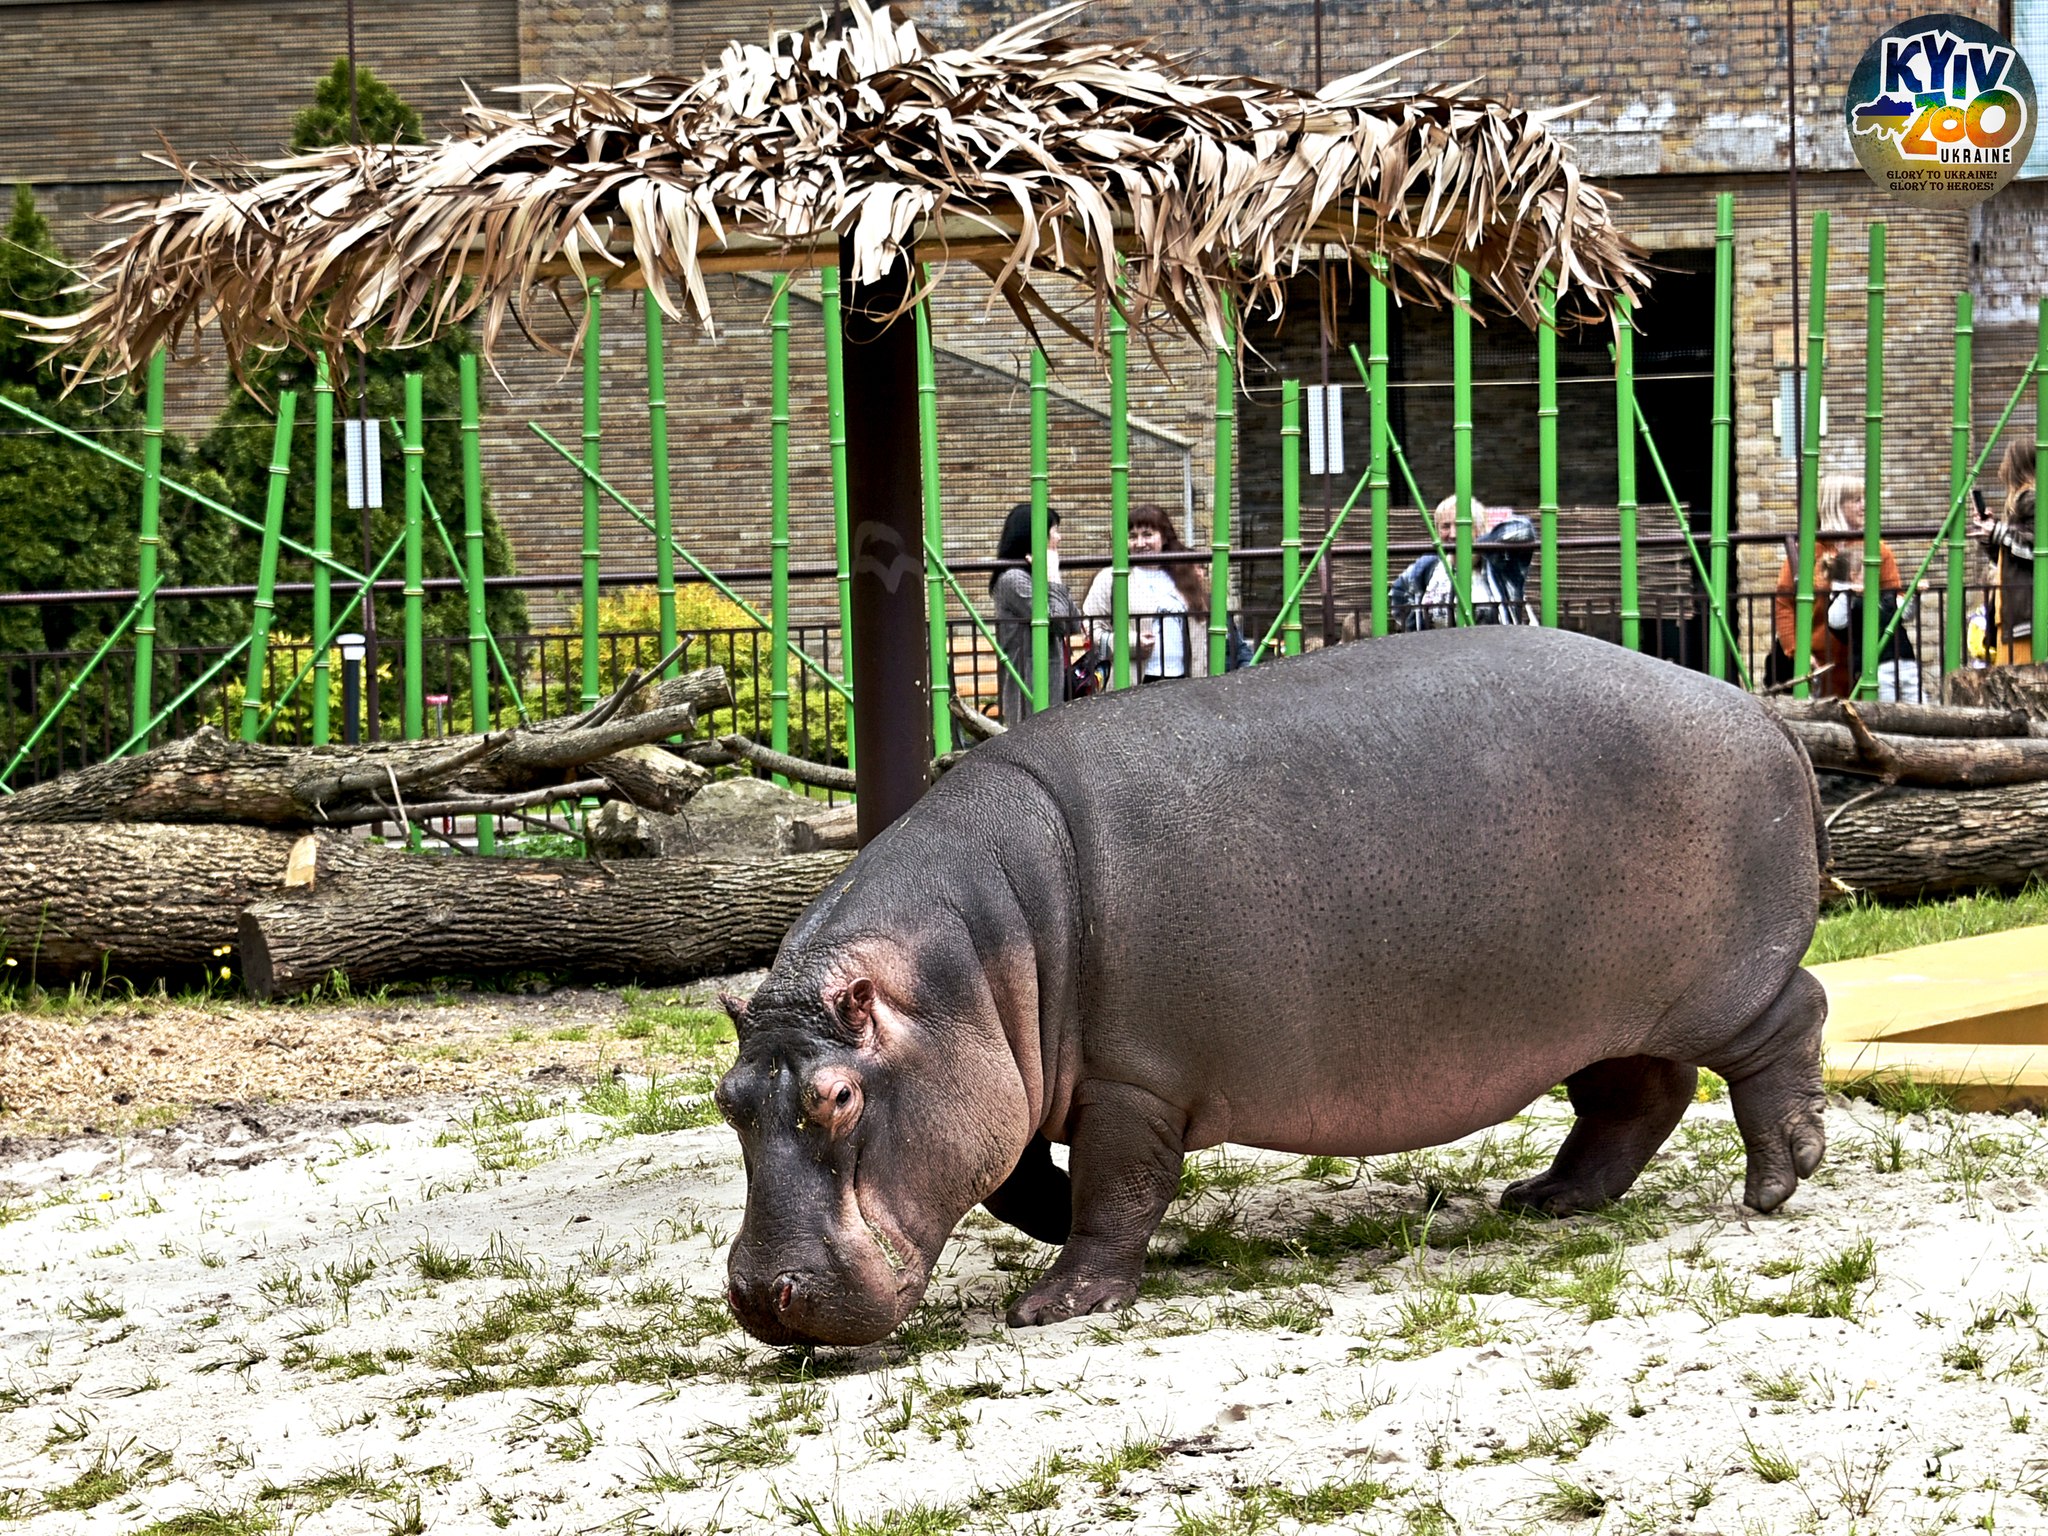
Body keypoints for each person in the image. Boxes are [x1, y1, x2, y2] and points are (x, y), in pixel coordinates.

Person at [1771, 473, 1904, 698]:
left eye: (1864, 498)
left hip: (1866, 660)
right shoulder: (1808, 551)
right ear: (1835, 505)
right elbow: (1785, 603)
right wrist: (1796, 651)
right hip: (1819, 662)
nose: (1864, 506)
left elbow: (1894, 596)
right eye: (1856, 500)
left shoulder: (1877, 549)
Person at [1082, 503, 1210, 681]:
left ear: (1164, 538)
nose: (1140, 543)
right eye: (1133, 537)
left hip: (1185, 679)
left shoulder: (1185, 575)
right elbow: (1090, 628)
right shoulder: (1110, 578)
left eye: (1148, 535)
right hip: (1133, 681)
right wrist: (1130, 643)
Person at [988, 502, 1081, 725]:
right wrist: (1053, 577)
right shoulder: (1013, 579)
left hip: (1048, 680)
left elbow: (1075, 624)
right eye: (1054, 532)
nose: (1059, 538)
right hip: (1027, 685)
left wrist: (1050, 578)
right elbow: (1058, 623)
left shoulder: (1038, 576)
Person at [1388, 497, 1537, 629]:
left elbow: (1523, 530)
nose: (1453, 534)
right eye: (1445, 526)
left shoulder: (1501, 563)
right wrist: (1417, 630)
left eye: (1461, 525)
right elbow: (1398, 592)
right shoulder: (1430, 565)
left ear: (1478, 529)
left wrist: (1477, 548)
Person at [1974, 441, 2036, 665]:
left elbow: (2037, 548)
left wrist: (1999, 531)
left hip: (2024, 614)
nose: (2002, 467)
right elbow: (2009, 559)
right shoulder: (2019, 501)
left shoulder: (2030, 498)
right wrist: (1989, 535)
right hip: (2009, 613)